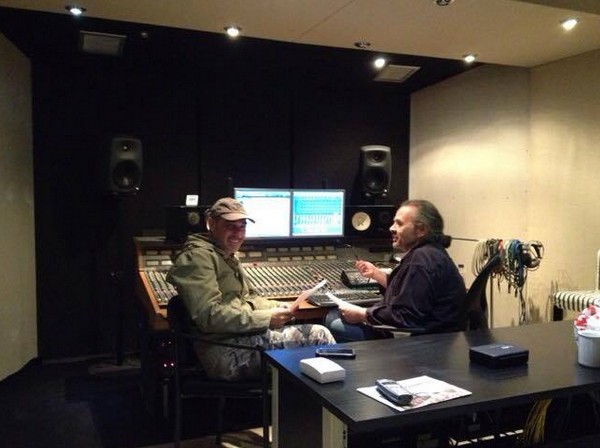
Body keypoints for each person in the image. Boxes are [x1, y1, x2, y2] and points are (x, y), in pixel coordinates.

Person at [167, 197, 336, 381]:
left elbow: (248, 299)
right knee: (319, 336)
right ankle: (333, 398)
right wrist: (266, 318)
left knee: (311, 337)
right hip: (225, 353)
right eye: (230, 226)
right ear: (211, 224)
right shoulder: (198, 258)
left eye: (242, 226)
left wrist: (276, 306)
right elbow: (210, 316)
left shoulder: (225, 254)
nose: (238, 233)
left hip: (241, 339)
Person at [325, 199, 466, 341]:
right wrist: (376, 274)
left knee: (334, 322)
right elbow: (410, 292)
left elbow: (404, 317)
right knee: (335, 314)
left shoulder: (420, 260)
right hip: (439, 337)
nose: (391, 228)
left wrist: (362, 314)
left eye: (399, 223)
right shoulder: (432, 253)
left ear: (421, 230)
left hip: (423, 341)